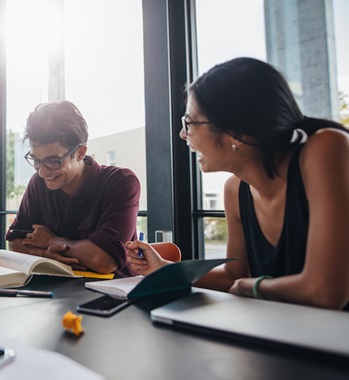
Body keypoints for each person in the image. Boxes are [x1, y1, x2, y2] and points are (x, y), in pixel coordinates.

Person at [126, 57, 349, 310]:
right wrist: (163, 269)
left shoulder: (325, 149)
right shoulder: (235, 190)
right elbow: (233, 277)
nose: (183, 134)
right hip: (289, 335)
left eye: (189, 122)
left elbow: (326, 292)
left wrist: (252, 286)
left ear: (237, 133)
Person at [6, 100, 140, 276]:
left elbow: (104, 261)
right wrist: (45, 253)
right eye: (36, 161)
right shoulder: (38, 184)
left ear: (81, 153)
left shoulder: (121, 183)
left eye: (53, 161)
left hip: (111, 292)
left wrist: (52, 241)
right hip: (53, 291)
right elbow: (15, 243)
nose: (42, 172)